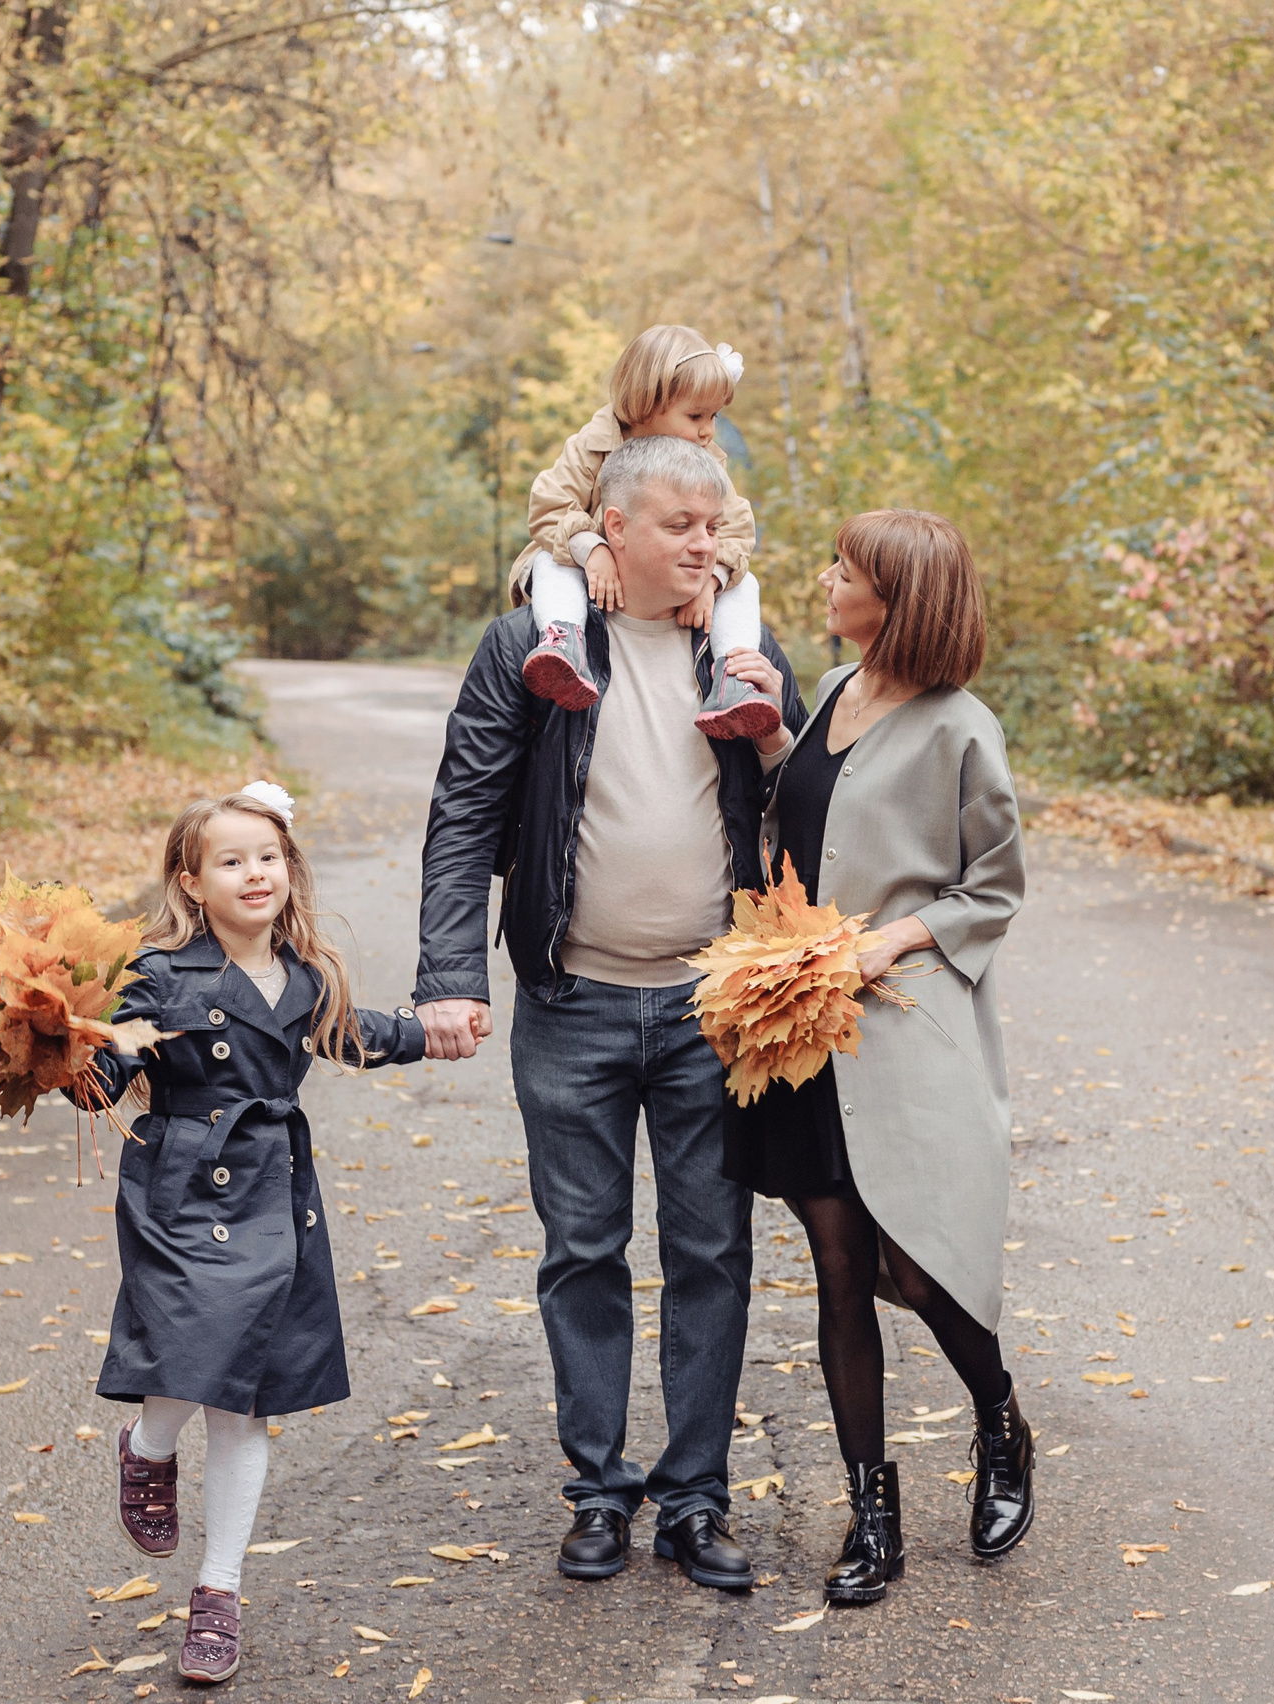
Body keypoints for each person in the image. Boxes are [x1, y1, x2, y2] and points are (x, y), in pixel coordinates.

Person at [412, 434, 805, 1589]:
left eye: (714, 524)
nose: (705, 545)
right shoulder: (531, 645)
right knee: (582, 1250)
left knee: (710, 1254)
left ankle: (692, 1500)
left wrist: (781, 734)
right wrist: (449, 973)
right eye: (680, 526)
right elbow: (464, 812)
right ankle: (597, 1492)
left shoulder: (739, 647)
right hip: (571, 999)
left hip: (709, 1007)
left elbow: (808, 802)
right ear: (613, 530)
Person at [721, 509, 1032, 1606]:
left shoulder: (961, 728)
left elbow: (990, 887)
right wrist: (769, 743)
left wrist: (887, 939)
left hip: (903, 1032)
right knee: (842, 1270)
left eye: (843, 572)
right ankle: (872, 1515)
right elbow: (805, 821)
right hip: (803, 1034)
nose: (824, 581)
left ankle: (997, 1421)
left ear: (896, 599)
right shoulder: (835, 698)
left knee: (919, 1263)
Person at [84, 782, 425, 1684]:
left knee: (248, 1392)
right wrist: (79, 1055)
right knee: (201, 1343)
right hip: (180, 1185)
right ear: (191, 882)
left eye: (267, 856)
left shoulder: (305, 973)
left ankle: (219, 1594)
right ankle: (150, 1448)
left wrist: (431, 1032)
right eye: (230, 861)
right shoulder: (157, 972)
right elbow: (102, 1079)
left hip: (274, 1187)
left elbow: (348, 1033)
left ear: (289, 867)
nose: (254, 873)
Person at [514, 323, 779, 741]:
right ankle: (562, 642)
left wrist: (712, 581)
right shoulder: (593, 444)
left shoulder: (704, 457)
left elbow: (737, 527)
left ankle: (736, 679)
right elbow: (548, 504)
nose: (708, 430)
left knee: (745, 585)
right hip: (583, 562)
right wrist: (592, 549)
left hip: (659, 583)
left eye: (713, 416)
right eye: (695, 416)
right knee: (549, 561)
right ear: (647, 403)